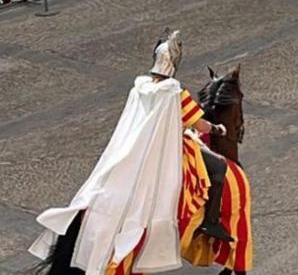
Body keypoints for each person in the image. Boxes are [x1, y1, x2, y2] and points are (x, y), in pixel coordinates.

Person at [29, 30, 234, 275]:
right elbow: (199, 125)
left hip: (131, 148)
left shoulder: (139, 87)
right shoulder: (175, 93)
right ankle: (210, 223)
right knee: (218, 167)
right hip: (166, 150)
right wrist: (218, 129)